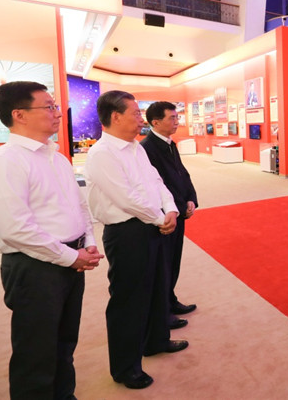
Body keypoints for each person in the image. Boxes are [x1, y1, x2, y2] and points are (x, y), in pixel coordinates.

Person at [0, 81, 103, 399]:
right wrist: (71, 257)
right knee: (35, 353)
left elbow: (79, 205)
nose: (58, 113)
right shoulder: (4, 161)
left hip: (70, 260)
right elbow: (15, 229)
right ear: (19, 115)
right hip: (34, 267)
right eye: (49, 107)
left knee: (64, 343)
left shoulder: (58, 158)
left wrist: (87, 240)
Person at [85, 90, 187, 390]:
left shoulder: (136, 148)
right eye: (135, 113)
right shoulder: (102, 153)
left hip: (154, 224)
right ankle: (125, 368)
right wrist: (160, 217)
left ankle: (156, 340)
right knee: (129, 301)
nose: (141, 119)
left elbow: (157, 181)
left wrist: (170, 208)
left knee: (157, 287)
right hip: (127, 232)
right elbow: (125, 198)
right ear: (115, 117)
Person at [141, 101, 199, 330]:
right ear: (156, 122)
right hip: (166, 217)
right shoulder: (147, 148)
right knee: (163, 266)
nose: (177, 121)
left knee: (173, 261)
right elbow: (159, 185)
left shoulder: (169, 143)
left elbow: (182, 175)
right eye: (172, 118)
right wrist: (179, 206)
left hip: (178, 211)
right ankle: (162, 311)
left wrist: (191, 198)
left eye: (177, 117)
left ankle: (170, 300)